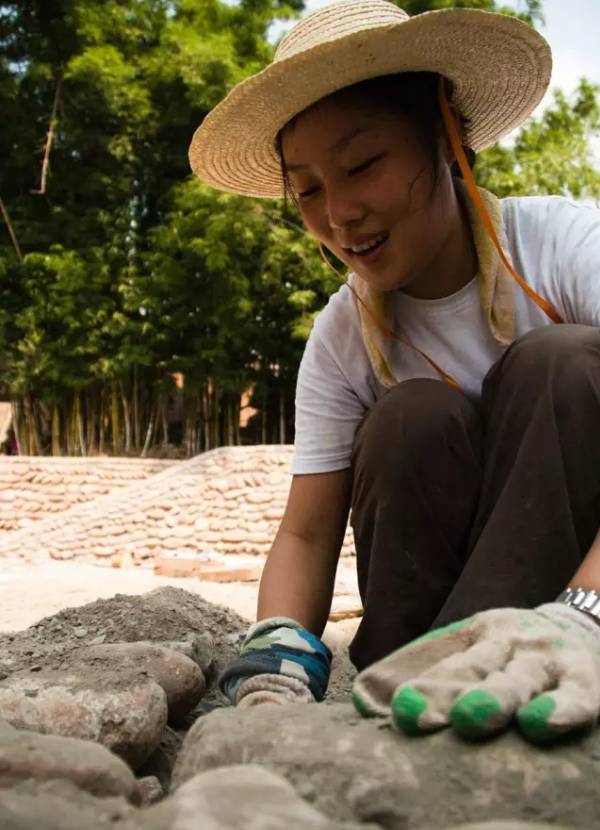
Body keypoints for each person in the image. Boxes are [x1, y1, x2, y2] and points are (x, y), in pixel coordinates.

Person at [188, 0, 600, 743]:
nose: (339, 212)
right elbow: (308, 535)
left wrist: (588, 615)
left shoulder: (561, 247)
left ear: (445, 138)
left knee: (562, 362)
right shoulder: (343, 336)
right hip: (417, 635)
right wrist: (277, 649)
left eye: (362, 164)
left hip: (569, 607)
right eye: (307, 188)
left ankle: (518, 660)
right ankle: (418, 682)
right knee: (412, 416)